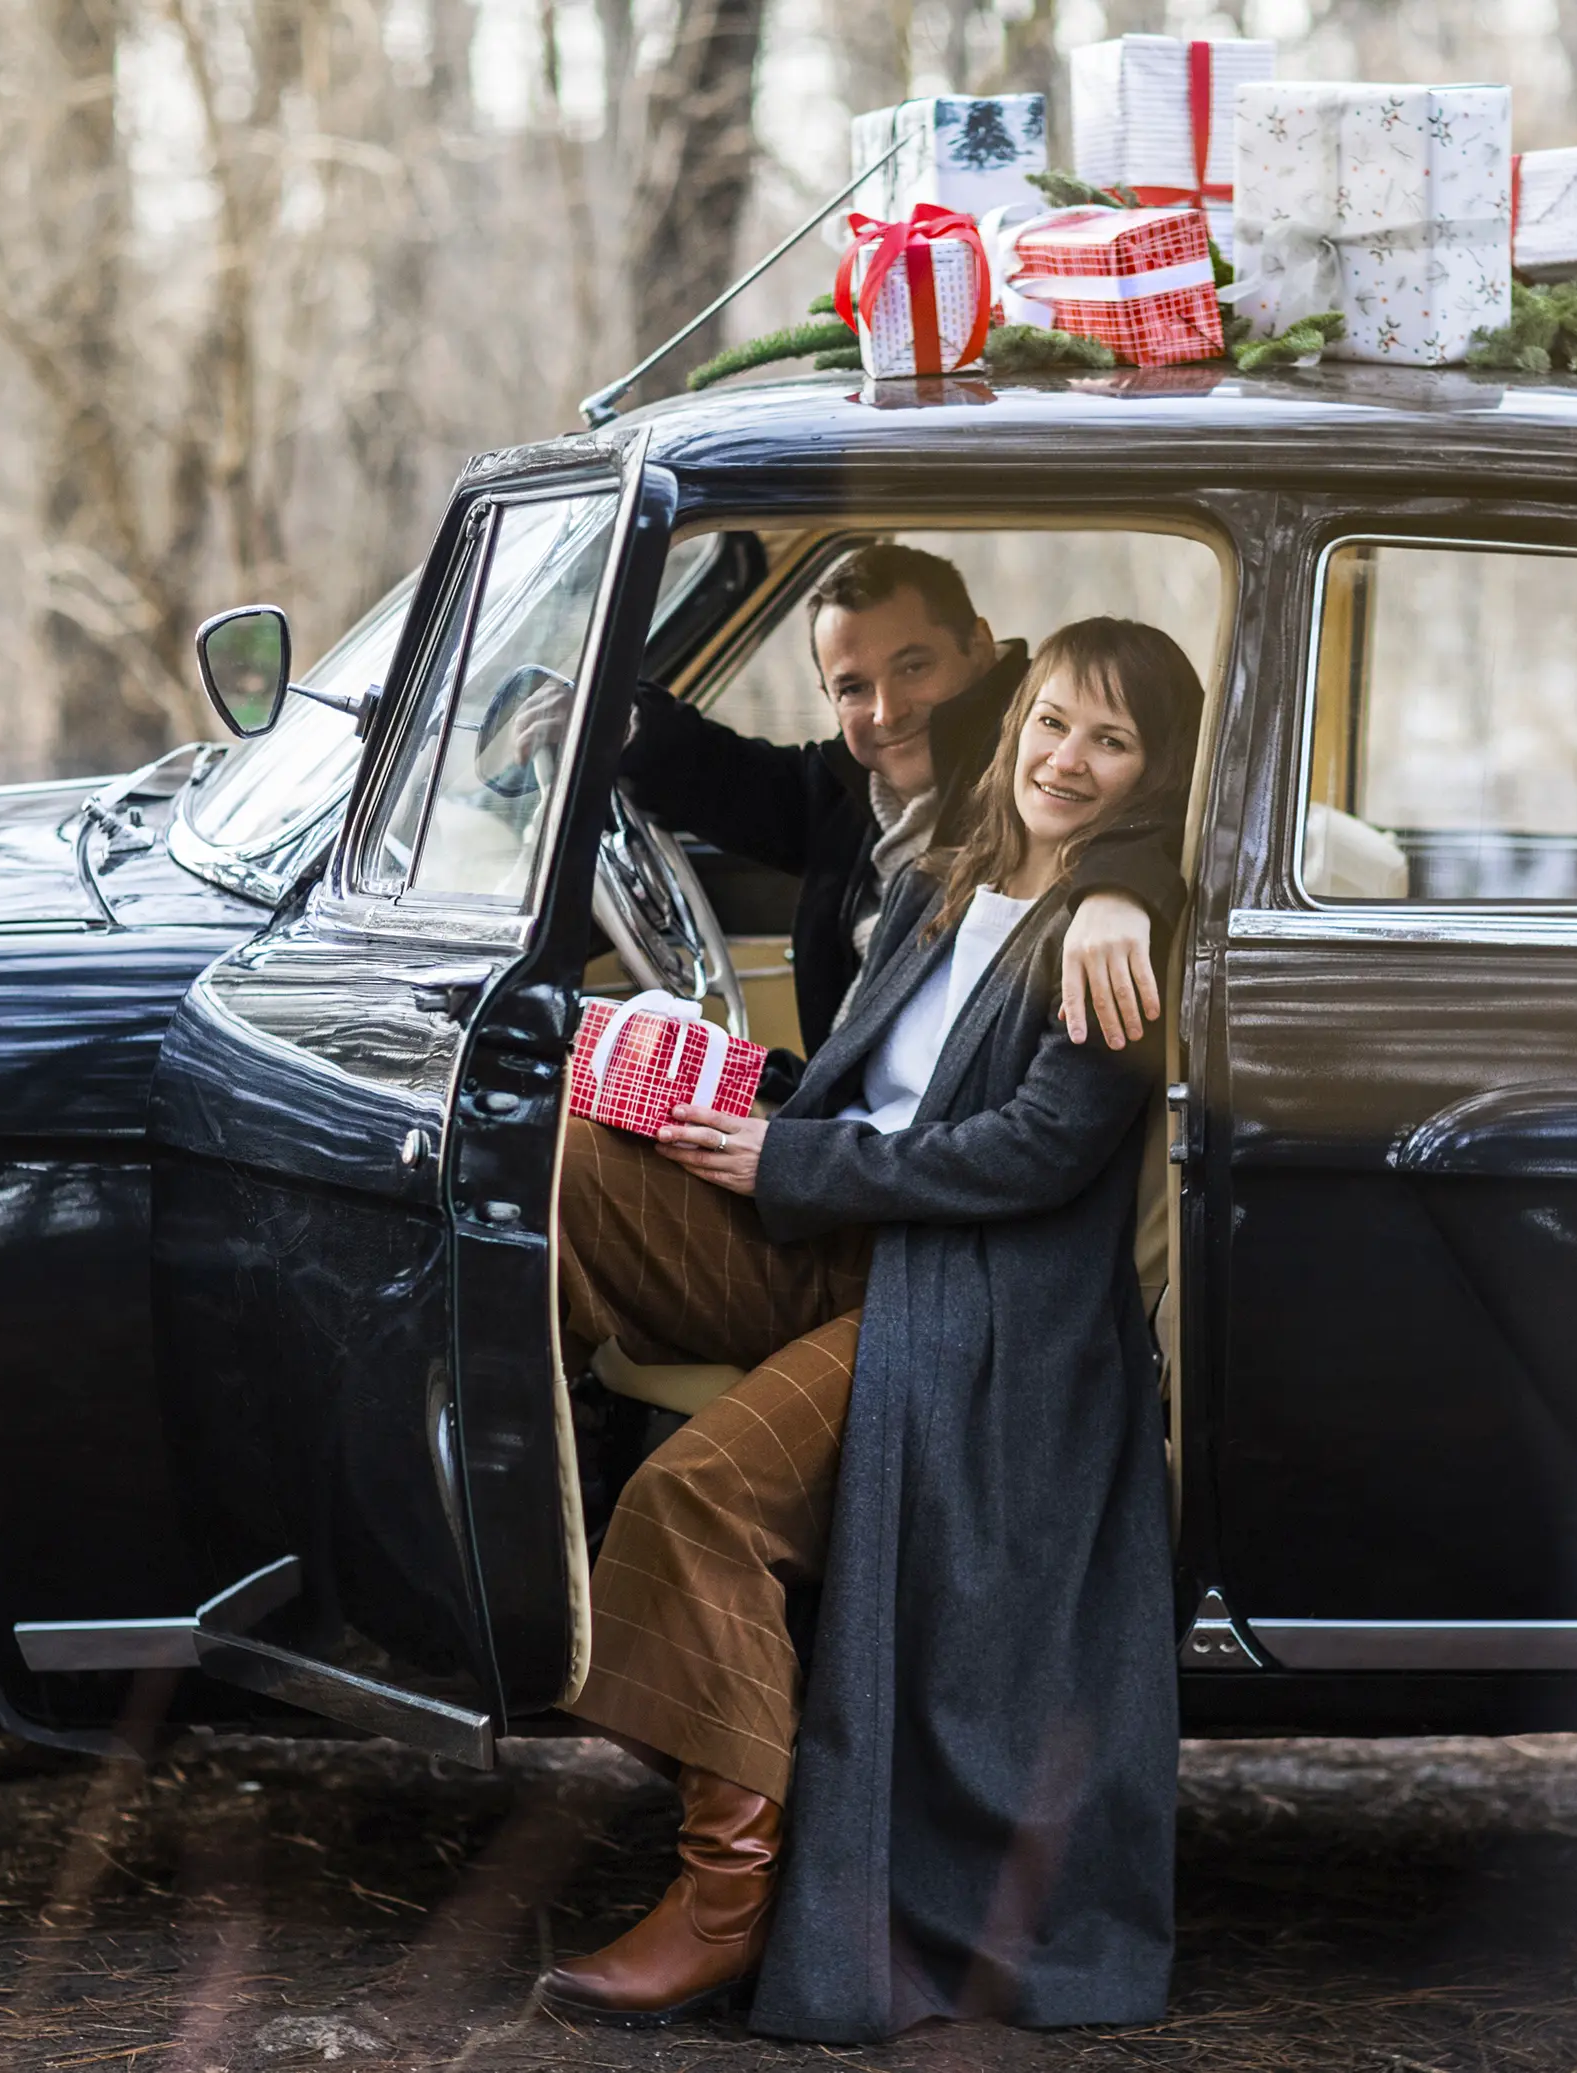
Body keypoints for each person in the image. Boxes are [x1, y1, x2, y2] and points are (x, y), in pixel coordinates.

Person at [539, 618, 1199, 2039]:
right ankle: (492, 1536)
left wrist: (786, 1164)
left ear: (1155, 774)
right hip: (854, 1239)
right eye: (1051, 723)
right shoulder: (943, 882)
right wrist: (718, 1092)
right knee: (564, 1166)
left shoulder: (1112, 942)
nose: (1066, 761)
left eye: (1113, 740)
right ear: (1012, 719)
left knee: (699, 1494)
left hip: (972, 1300)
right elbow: (868, 1090)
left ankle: (726, 1901)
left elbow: (1028, 1155)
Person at [621, 544, 1182, 1086]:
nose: (887, 712)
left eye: (914, 667)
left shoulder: (1038, 756)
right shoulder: (850, 789)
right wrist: (619, 726)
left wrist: (1116, 886)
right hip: (837, 1108)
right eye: (854, 688)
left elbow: (1174, 788)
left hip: (892, 1146)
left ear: (981, 647)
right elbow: (726, 778)